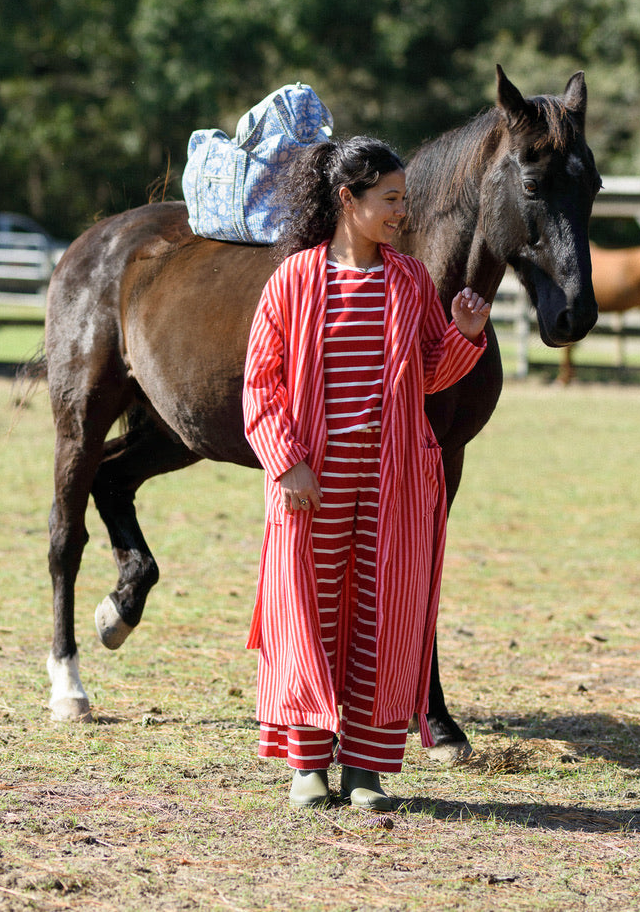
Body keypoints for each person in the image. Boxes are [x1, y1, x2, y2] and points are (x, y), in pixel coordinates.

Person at [242, 136, 491, 810]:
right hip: (309, 487)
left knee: (386, 615)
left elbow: (428, 376)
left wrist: (463, 333)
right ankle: (306, 766)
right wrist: (286, 461)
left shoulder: (409, 280)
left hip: (395, 483)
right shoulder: (293, 281)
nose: (400, 214)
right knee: (308, 614)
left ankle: (366, 771)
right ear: (347, 200)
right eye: (389, 200)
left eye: (403, 200)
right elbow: (260, 385)